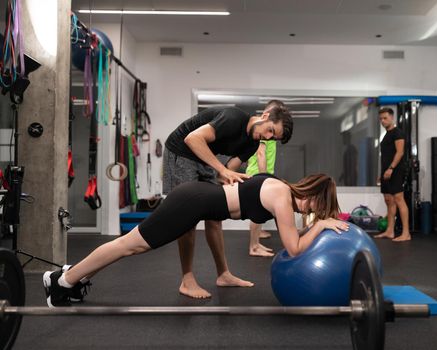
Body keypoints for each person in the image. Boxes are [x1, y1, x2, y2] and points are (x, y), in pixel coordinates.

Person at [43, 173, 347, 307]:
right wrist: (321, 227)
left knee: (129, 246)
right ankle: (63, 282)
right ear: (312, 196)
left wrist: (318, 224)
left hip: (197, 199)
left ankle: (68, 277)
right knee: (129, 244)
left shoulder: (280, 186)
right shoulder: (282, 195)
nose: (313, 214)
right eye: (318, 208)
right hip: (191, 202)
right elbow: (293, 248)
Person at [163, 105, 293, 298]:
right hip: (181, 150)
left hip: (205, 158)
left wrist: (236, 182)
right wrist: (222, 171)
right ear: (265, 116)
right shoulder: (232, 118)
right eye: (270, 130)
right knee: (187, 218)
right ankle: (187, 280)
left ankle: (223, 274)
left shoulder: (253, 144)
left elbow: (228, 169)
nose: (267, 137)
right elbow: (193, 139)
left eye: (272, 137)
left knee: (215, 215)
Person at [245, 100, 284, 257]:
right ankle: (253, 246)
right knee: (257, 209)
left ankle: (256, 240)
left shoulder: (271, 134)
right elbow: (260, 154)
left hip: (262, 173)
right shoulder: (263, 132)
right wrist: (263, 178)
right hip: (257, 173)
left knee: (260, 209)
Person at [374, 107, 411, 242]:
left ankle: (406, 233)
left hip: (395, 171)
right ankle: (390, 231)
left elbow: (400, 152)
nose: (383, 121)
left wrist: (390, 168)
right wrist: (382, 172)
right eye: (381, 119)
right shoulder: (386, 135)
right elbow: (386, 156)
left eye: (385, 118)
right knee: (389, 201)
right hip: (387, 172)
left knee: (399, 200)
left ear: (392, 118)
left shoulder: (397, 133)